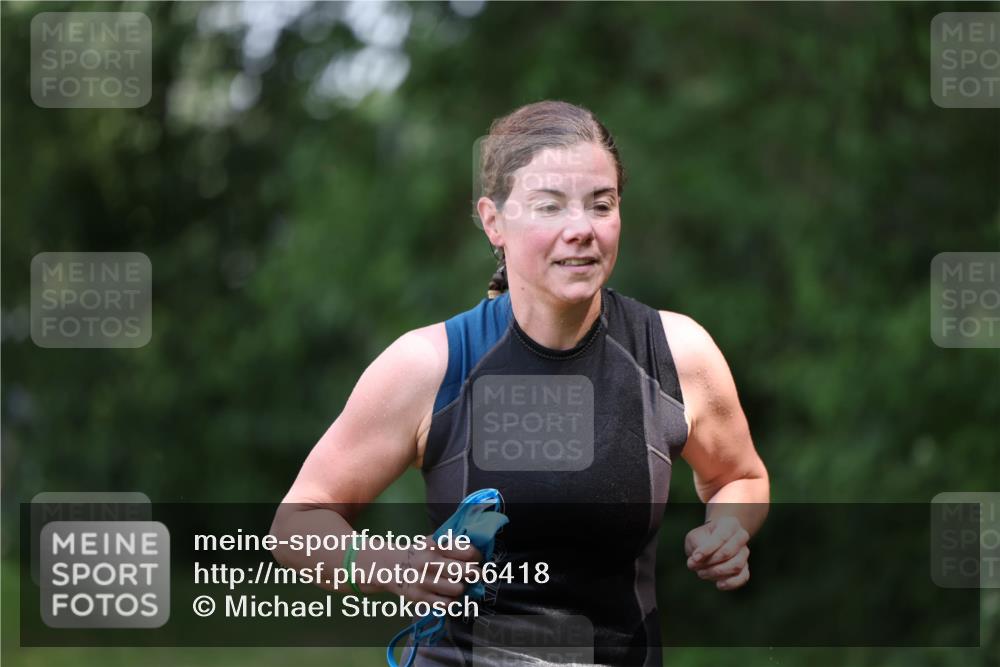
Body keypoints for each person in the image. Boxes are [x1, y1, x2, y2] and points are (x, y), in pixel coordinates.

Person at [271, 100, 770, 666]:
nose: (581, 229)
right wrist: (384, 564)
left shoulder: (675, 354)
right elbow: (297, 523)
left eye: (600, 205)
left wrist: (728, 528)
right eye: (549, 207)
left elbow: (740, 476)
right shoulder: (431, 365)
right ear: (494, 221)